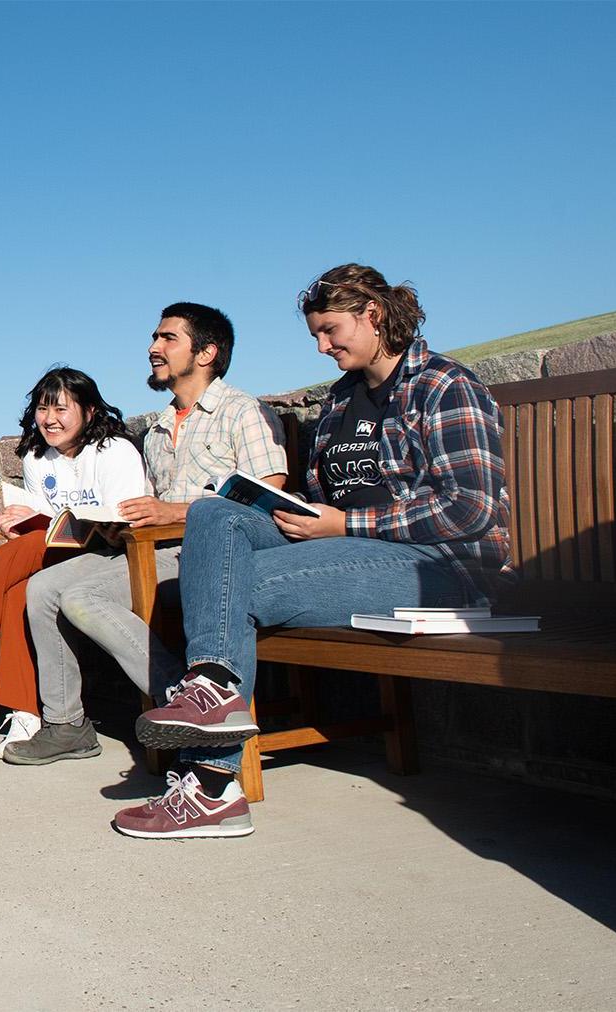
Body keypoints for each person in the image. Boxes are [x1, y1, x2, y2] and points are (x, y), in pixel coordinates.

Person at [115, 265, 512, 839]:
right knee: (212, 513)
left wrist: (344, 524)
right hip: (349, 548)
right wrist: (288, 509)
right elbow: (326, 499)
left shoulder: (443, 386)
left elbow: (471, 510)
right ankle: (214, 700)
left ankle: (210, 786)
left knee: (231, 588)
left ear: (372, 315)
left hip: (443, 570)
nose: (323, 347)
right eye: (316, 337)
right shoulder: (343, 399)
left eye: (330, 331)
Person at [1, 304, 289, 766]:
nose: (153, 348)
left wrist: (171, 511)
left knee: (81, 598)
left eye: (168, 339)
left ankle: (192, 702)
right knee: (44, 587)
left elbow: (268, 498)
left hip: (214, 553)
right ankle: (66, 725)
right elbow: (145, 506)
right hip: (151, 548)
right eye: (154, 338)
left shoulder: (243, 411)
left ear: (206, 352)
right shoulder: (156, 429)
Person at [0, 367, 149, 759]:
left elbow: (124, 519)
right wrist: (17, 521)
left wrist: (49, 527)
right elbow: (45, 516)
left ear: (88, 411)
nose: (49, 419)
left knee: (36, 544)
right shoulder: (38, 456)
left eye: (61, 409)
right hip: (58, 554)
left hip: (114, 553)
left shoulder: (114, 450)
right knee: (20, 591)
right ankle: (26, 713)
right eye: (42, 408)